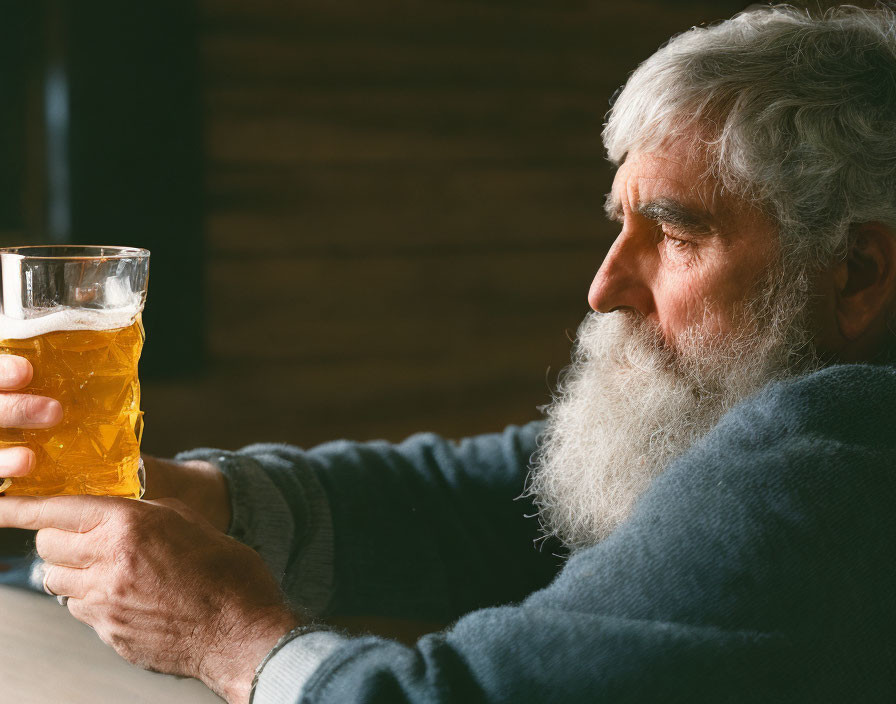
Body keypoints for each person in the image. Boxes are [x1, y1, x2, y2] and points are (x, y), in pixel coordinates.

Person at [1, 4, 895, 702]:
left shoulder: (841, 450)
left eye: (676, 234)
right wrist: (213, 499)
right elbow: (502, 494)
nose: (604, 285)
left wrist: (226, 637)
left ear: (856, 270)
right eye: (619, 223)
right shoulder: (758, 406)